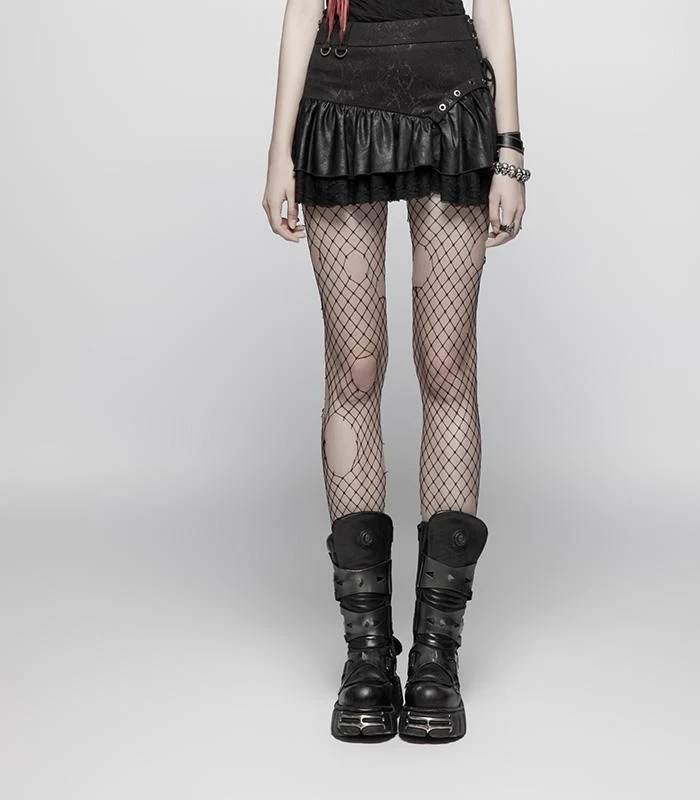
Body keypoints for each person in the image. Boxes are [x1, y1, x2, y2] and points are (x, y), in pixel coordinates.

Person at [262, 0, 528, 742]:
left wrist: (510, 151)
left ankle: (438, 658)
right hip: (341, 101)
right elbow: (302, 8)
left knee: (446, 365)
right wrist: (279, 152)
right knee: (355, 369)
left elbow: (494, 7)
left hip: (451, 101)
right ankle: (368, 655)